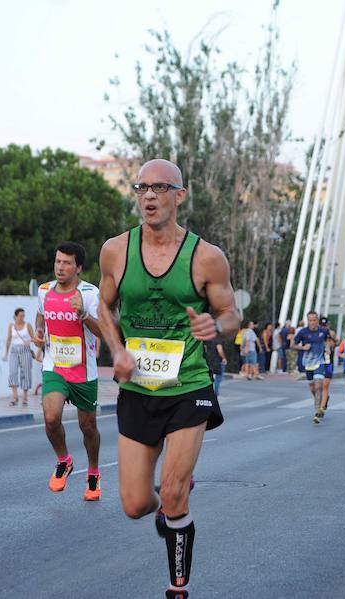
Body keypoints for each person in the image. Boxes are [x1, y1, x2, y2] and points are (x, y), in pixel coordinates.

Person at [96, 159, 240, 599]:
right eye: (142, 188)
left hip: (189, 385)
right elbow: (102, 307)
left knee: (175, 491)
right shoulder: (116, 250)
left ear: (180, 195)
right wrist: (117, 349)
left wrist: (217, 328)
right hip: (138, 387)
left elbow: (231, 313)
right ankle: (165, 512)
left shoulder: (206, 256)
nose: (149, 196)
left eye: (160, 187)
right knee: (136, 504)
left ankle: (178, 587)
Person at [34, 242, 103, 501]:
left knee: (88, 427)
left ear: (79, 267)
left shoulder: (90, 293)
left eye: (66, 263)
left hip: (84, 371)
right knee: (51, 417)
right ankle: (64, 460)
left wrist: (83, 313)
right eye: (58, 261)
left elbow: (102, 331)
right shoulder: (44, 291)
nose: (60, 267)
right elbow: (40, 316)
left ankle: (94, 471)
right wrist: (40, 334)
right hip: (55, 366)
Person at [292, 311, 331, 424]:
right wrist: (302, 347)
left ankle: (317, 411)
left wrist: (327, 348)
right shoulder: (303, 332)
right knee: (313, 388)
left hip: (320, 361)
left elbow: (327, 341)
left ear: (317, 320)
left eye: (314, 320)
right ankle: (324, 400)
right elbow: (292, 345)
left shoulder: (323, 331)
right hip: (308, 363)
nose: (313, 322)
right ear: (307, 320)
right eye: (310, 320)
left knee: (319, 385)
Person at [4, 308, 35, 406]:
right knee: (12, 372)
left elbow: (34, 338)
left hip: (25, 350)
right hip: (14, 350)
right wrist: (6, 352)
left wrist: (29, 341)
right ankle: (15, 397)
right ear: (15, 316)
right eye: (20, 316)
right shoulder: (11, 326)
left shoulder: (27, 325)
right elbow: (9, 339)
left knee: (25, 373)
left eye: (23, 316)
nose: (22, 318)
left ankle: (25, 397)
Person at [319, 317, 336, 415]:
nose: (324, 327)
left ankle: (321, 408)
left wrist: (329, 339)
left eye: (325, 326)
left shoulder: (331, 333)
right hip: (318, 361)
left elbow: (334, 344)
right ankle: (324, 399)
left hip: (329, 361)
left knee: (325, 385)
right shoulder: (317, 334)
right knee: (318, 386)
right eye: (322, 326)